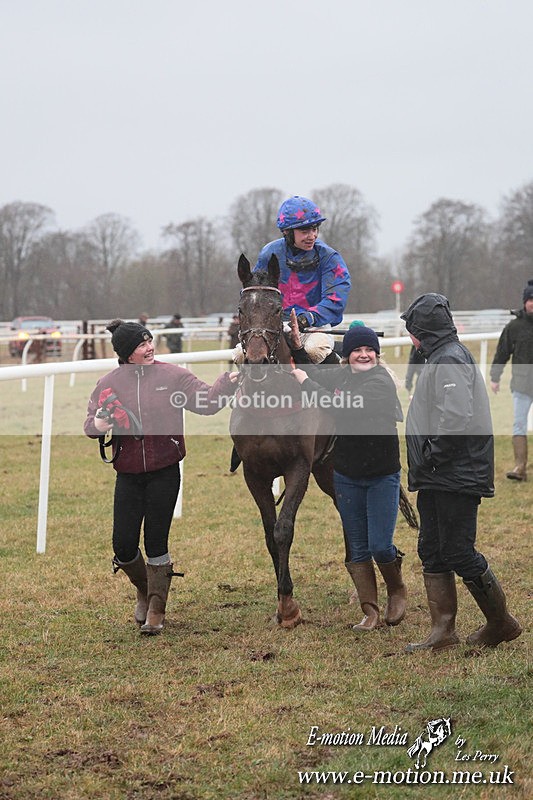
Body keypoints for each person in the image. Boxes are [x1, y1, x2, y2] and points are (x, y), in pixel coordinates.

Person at [84, 319, 238, 635]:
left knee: (156, 541)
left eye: (150, 341)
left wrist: (228, 383)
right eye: (142, 344)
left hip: (164, 472)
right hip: (127, 474)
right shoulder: (108, 383)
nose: (150, 347)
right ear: (127, 354)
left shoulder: (174, 375)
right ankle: (144, 588)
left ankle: (156, 608)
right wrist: (97, 425)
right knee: (123, 545)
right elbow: (90, 422)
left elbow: (207, 403)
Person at [400, 293, 521, 651]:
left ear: (423, 330)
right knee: (432, 548)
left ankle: (501, 622)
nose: (409, 338)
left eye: (411, 330)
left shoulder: (449, 359)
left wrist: (432, 457)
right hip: (439, 474)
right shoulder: (440, 356)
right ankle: (443, 632)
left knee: (457, 550)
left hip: (453, 474)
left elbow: (455, 419)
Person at [291, 318, 407, 631]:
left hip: (382, 475)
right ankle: (370, 611)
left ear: (377, 355)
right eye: (358, 350)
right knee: (357, 548)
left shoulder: (380, 382)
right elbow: (315, 372)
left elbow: (341, 404)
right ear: (348, 355)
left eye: (370, 349)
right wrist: (297, 346)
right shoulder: (341, 375)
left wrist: (305, 383)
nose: (364, 354)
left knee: (380, 546)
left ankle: (396, 589)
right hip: (346, 476)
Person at [254, 195, 351, 364]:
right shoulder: (269, 254)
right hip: (274, 327)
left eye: (315, 229)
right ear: (287, 232)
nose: (312, 236)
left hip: (315, 327)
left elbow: (336, 299)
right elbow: (255, 293)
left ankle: (336, 383)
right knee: (241, 355)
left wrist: (308, 318)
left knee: (314, 351)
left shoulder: (329, 258)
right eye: (305, 231)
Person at [489, 279, 533, 482]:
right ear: (525, 302)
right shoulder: (514, 327)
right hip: (522, 386)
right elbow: (502, 353)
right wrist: (495, 378)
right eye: (530, 299)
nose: (532, 303)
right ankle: (520, 467)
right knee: (519, 425)